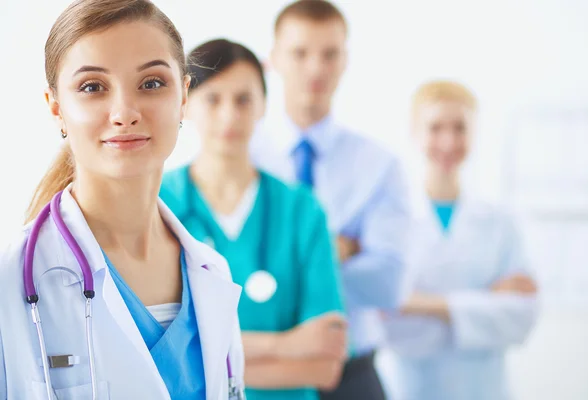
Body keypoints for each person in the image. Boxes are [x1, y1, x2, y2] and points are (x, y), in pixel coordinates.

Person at [0, 1, 246, 399]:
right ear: (56, 108)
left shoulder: (211, 273)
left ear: (183, 96)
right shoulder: (11, 280)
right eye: (92, 87)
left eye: (151, 83)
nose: (125, 112)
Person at [160, 38, 347, 400]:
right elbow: (156, 355)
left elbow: (325, 365)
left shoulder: (300, 209)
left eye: (243, 100)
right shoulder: (159, 204)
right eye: (213, 99)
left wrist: (208, 352)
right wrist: (288, 344)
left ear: (263, 105)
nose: (229, 115)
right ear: (185, 105)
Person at [250, 1, 410, 399]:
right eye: (300, 53)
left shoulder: (379, 164)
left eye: (329, 54)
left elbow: (389, 284)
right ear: (273, 60)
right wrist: (337, 248)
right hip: (263, 374)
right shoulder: (244, 158)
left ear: (345, 61)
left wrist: (279, 263)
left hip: (352, 377)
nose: (316, 68)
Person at [380, 80, 539, 400]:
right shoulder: (391, 221)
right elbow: (388, 322)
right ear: (414, 132)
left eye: (460, 128)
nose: (449, 141)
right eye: (435, 127)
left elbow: (521, 317)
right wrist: (482, 302)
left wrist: (423, 303)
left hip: (486, 389)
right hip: (413, 388)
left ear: (475, 133)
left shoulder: (499, 222)